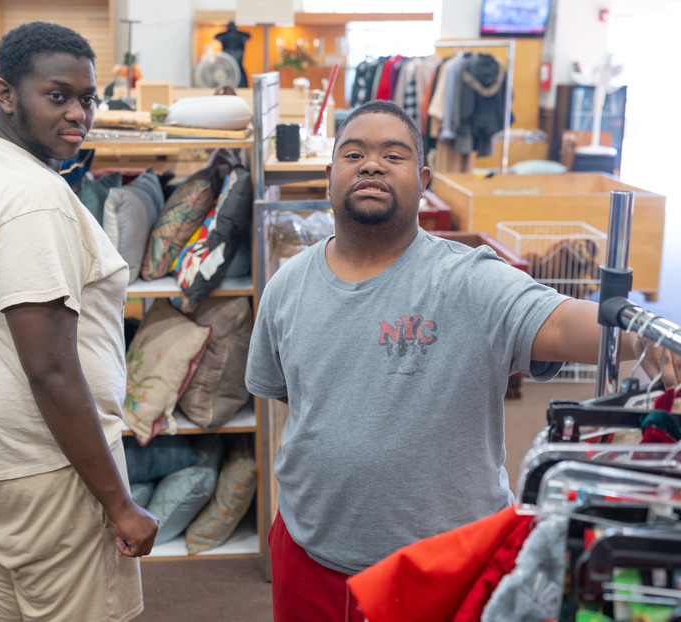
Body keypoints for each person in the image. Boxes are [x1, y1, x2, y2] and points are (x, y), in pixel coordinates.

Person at [245, 99, 681, 621]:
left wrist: (640, 337)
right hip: (307, 554)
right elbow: (294, 399)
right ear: (329, 173)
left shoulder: (470, 279)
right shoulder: (286, 286)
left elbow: (561, 321)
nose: (371, 164)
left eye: (394, 155)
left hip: (445, 565)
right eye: (354, 153)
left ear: (423, 178)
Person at [0, 21, 158, 622]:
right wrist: (119, 503)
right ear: (5, 94)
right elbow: (49, 367)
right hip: (44, 464)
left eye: (87, 98)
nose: (79, 113)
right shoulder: (32, 198)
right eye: (58, 96)